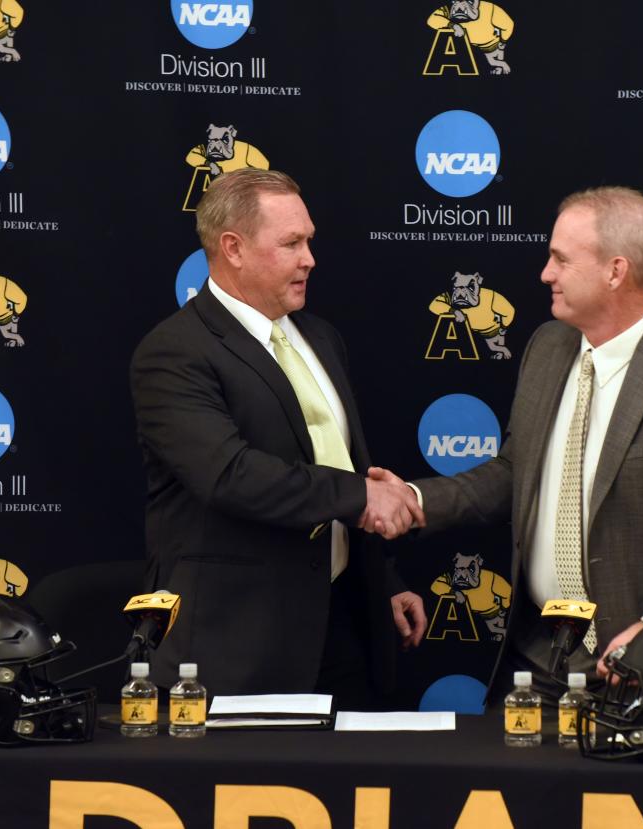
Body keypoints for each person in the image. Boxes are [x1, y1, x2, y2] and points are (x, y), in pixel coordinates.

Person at [372, 186, 643, 694]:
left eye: (561, 259)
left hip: (641, 672)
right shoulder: (547, 348)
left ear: (616, 271)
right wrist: (414, 499)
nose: (546, 273)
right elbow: (515, 473)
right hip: (532, 659)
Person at [130, 169, 426, 705]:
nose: (309, 257)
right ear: (233, 248)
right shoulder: (175, 352)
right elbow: (230, 475)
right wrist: (364, 498)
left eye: (309, 240)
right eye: (292, 243)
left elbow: (338, 459)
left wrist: (382, 580)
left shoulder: (320, 337)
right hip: (239, 645)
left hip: (344, 630)